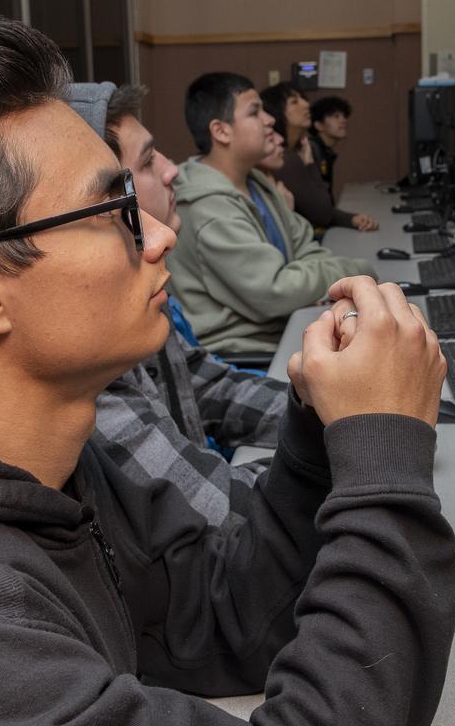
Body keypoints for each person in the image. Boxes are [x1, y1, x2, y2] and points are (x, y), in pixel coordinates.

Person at [0, 14, 455, 726]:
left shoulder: (47, 468)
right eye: (114, 209)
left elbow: (227, 616)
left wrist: (324, 429)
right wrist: (385, 460)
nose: (160, 235)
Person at [67, 81, 290, 523]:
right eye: (149, 161)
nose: (174, 171)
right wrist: (366, 443)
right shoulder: (84, 350)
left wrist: (334, 408)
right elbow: (216, 513)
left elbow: (204, 384)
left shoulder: (140, 289)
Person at [168, 72, 376, 355]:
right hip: (244, 357)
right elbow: (274, 291)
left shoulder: (257, 182)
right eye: (255, 112)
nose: (269, 120)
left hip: (286, 330)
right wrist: (353, 274)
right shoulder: (207, 207)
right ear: (221, 131)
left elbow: (304, 244)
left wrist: (313, 284)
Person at [260, 81, 377, 234]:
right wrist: (309, 164)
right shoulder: (286, 159)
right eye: (295, 102)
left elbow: (314, 204)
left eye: (303, 99)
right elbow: (323, 213)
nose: (306, 104)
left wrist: (351, 219)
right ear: (277, 113)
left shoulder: (295, 152)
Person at [308, 95, 350, 197]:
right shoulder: (311, 150)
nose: (343, 120)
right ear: (319, 125)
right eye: (336, 116)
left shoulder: (325, 151)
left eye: (344, 116)